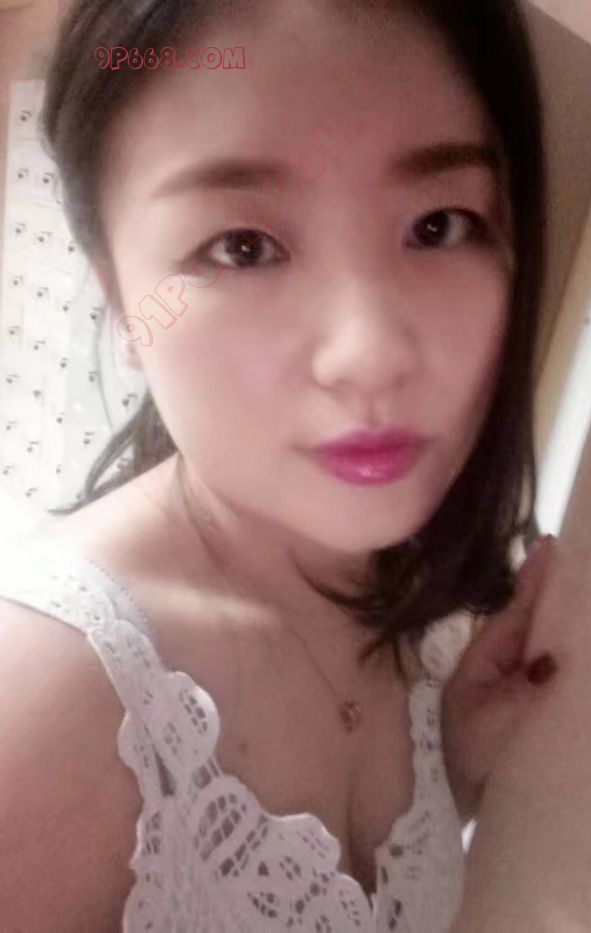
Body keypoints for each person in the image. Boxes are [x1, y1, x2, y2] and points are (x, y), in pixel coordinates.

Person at [0, 0, 559, 929]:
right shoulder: (41, 700)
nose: (370, 354)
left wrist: (451, 767)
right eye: (243, 246)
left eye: (438, 225)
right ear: (129, 308)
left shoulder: (420, 615)